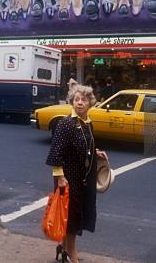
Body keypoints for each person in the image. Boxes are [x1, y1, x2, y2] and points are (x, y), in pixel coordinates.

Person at [46, 85, 108, 263]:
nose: (80, 103)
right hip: (68, 177)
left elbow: (85, 144)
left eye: (84, 100)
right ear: (72, 102)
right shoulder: (66, 123)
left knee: (74, 214)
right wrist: (60, 178)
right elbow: (56, 152)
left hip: (83, 177)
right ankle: (72, 252)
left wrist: (96, 152)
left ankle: (63, 248)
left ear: (90, 103)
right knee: (71, 216)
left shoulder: (87, 122)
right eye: (77, 100)